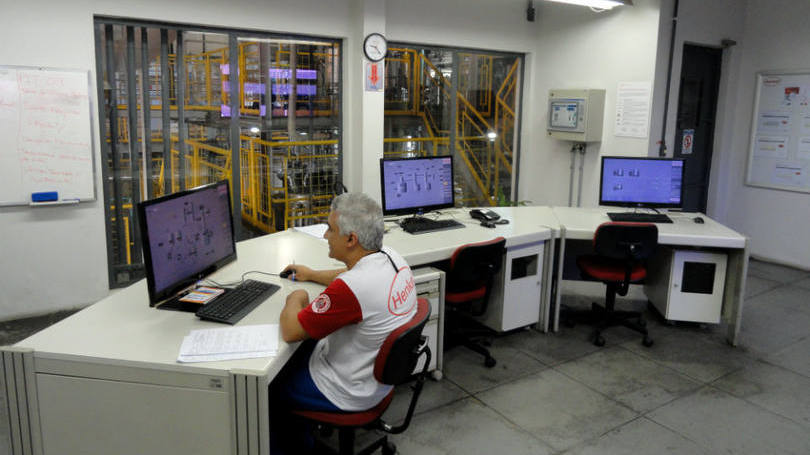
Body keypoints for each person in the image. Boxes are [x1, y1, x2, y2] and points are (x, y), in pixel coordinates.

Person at [270, 192, 418, 453]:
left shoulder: (352, 289)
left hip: (347, 391)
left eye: (330, 229)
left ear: (351, 239)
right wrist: (313, 274)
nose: (326, 235)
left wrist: (297, 295)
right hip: (379, 381)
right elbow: (349, 275)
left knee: (270, 385)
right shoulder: (392, 257)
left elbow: (291, 330)